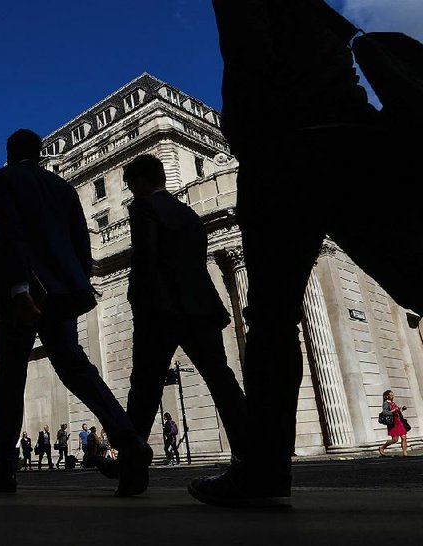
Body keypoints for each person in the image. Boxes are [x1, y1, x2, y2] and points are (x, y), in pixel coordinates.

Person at [192, 0, 423, 508]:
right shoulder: (318, 10)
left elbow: (249, 62)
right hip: (354, 143)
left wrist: (247, 145)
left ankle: (265, 477)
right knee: (415, 276)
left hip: (286, 155)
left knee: (271, 323)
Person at [0, 129, 152, 495]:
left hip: (22, 292)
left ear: (9, 154)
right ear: (39, 154)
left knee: (10, 381)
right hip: (62, 291)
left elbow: (11, 234)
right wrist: (77, 284)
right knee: (77, 368)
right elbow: (81, 244)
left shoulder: (2, 179)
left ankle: (5, 470)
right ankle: (127, 437)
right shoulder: (64, 188)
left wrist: (21, 288)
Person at [122, 153, 246, 454]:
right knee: (222, 380)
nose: (130, 192)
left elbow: (146, 258)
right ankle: (251, 451)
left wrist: (137, 299)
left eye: (130, 185)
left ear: (140, 182)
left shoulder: (143, 207)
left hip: (161, 310)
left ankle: (130, 463)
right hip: (201, 307)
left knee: (144, 388)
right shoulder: (188, 214)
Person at [379, 390, 410, 457]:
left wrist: (402, 409)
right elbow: (385, 412)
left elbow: (398, 410)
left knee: (404, 437)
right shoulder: (385, 403)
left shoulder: (393, 403)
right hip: (393, 423)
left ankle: (405, 453)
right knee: (395, 440)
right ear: (387, 396)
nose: (393, 396)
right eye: (391, 395)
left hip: (399, 422)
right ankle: (382, 447)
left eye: (393, 395)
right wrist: (393, 411)